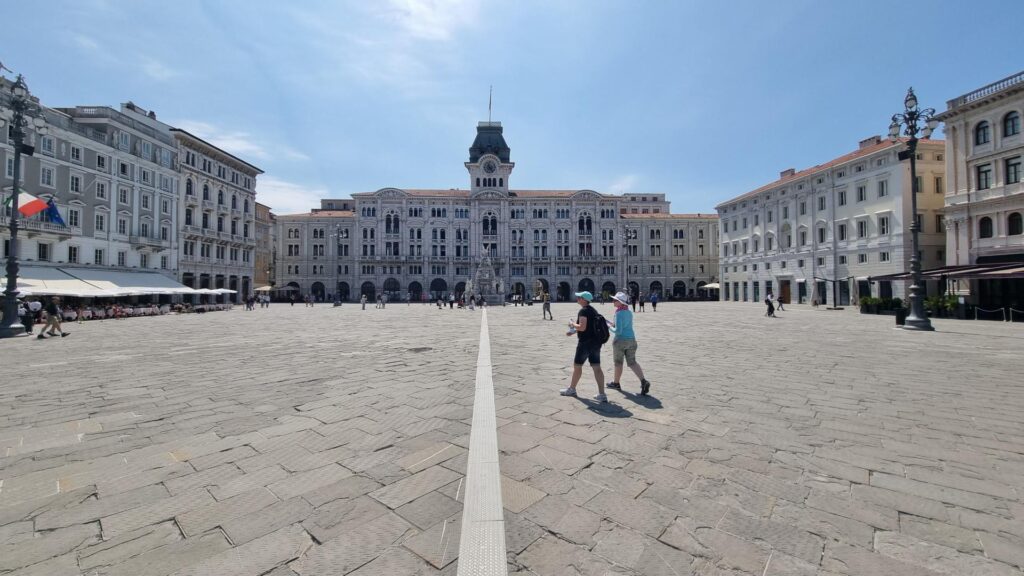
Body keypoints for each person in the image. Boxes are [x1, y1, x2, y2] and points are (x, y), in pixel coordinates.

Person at [560, 291, 608, 402]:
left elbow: (582, 327)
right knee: (597, 367)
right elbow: (590, 328)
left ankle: (572, 389)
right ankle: (602, 394)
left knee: (577, 366)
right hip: (596, 343)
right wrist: (573, 332)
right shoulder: (593, 310)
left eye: (579, 297)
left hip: (585, 343)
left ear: (584, 299)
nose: (577, 298)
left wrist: (572, 324)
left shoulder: (583, 311)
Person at [606, 292, 651, 395]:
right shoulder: (629, 312)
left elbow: (618, 331)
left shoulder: (618, 313)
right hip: (631, 339)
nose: (613, 301)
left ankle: (616, 383)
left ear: (620, 302)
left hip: (620, 341)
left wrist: (609, 327)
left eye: (615, 300)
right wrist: (611, 323)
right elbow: (624, 325)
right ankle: (643, 381)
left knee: (618, 363)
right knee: (632, 362)